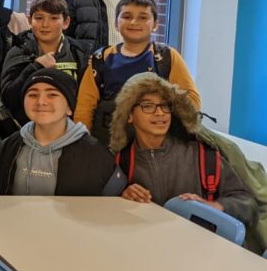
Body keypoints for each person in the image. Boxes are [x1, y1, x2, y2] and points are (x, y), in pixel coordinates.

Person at [109, 73, 255, 230]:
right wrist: (123, 196)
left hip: (200, 243)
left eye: (165, 105)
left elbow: (248, 204)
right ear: (129, 115)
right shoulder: (120, 162)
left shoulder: (201, 155)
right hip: (147, 242)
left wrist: (213, 206)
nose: (160, 113)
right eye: (148, 106)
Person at [75, 0, 199, 145]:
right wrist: (83, 141)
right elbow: (85, 106)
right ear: (116, 23)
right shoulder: (101, 58)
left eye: (143, 17)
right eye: (127, 17)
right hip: (109, 141)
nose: (134, 22)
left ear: (155, 24)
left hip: (157, 142)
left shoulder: (167, 57)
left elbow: (192, 100)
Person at [0, 69, 123, 196]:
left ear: (69, 107)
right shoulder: (8, 147)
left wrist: (127, 193)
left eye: (52, 95)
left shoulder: (96, 155)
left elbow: (116, 197)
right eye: (33, 95)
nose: (41, 101)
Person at [0, 0, 91, 127]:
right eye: (39, 18)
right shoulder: (18, 51)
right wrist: (36, 67)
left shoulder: (79, 53)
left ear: (66, 22)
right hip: (26, 129)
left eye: (54, 18)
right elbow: (8, 98)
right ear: (29, 20)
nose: (45, 24)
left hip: (69, 128)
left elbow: (86, 100)